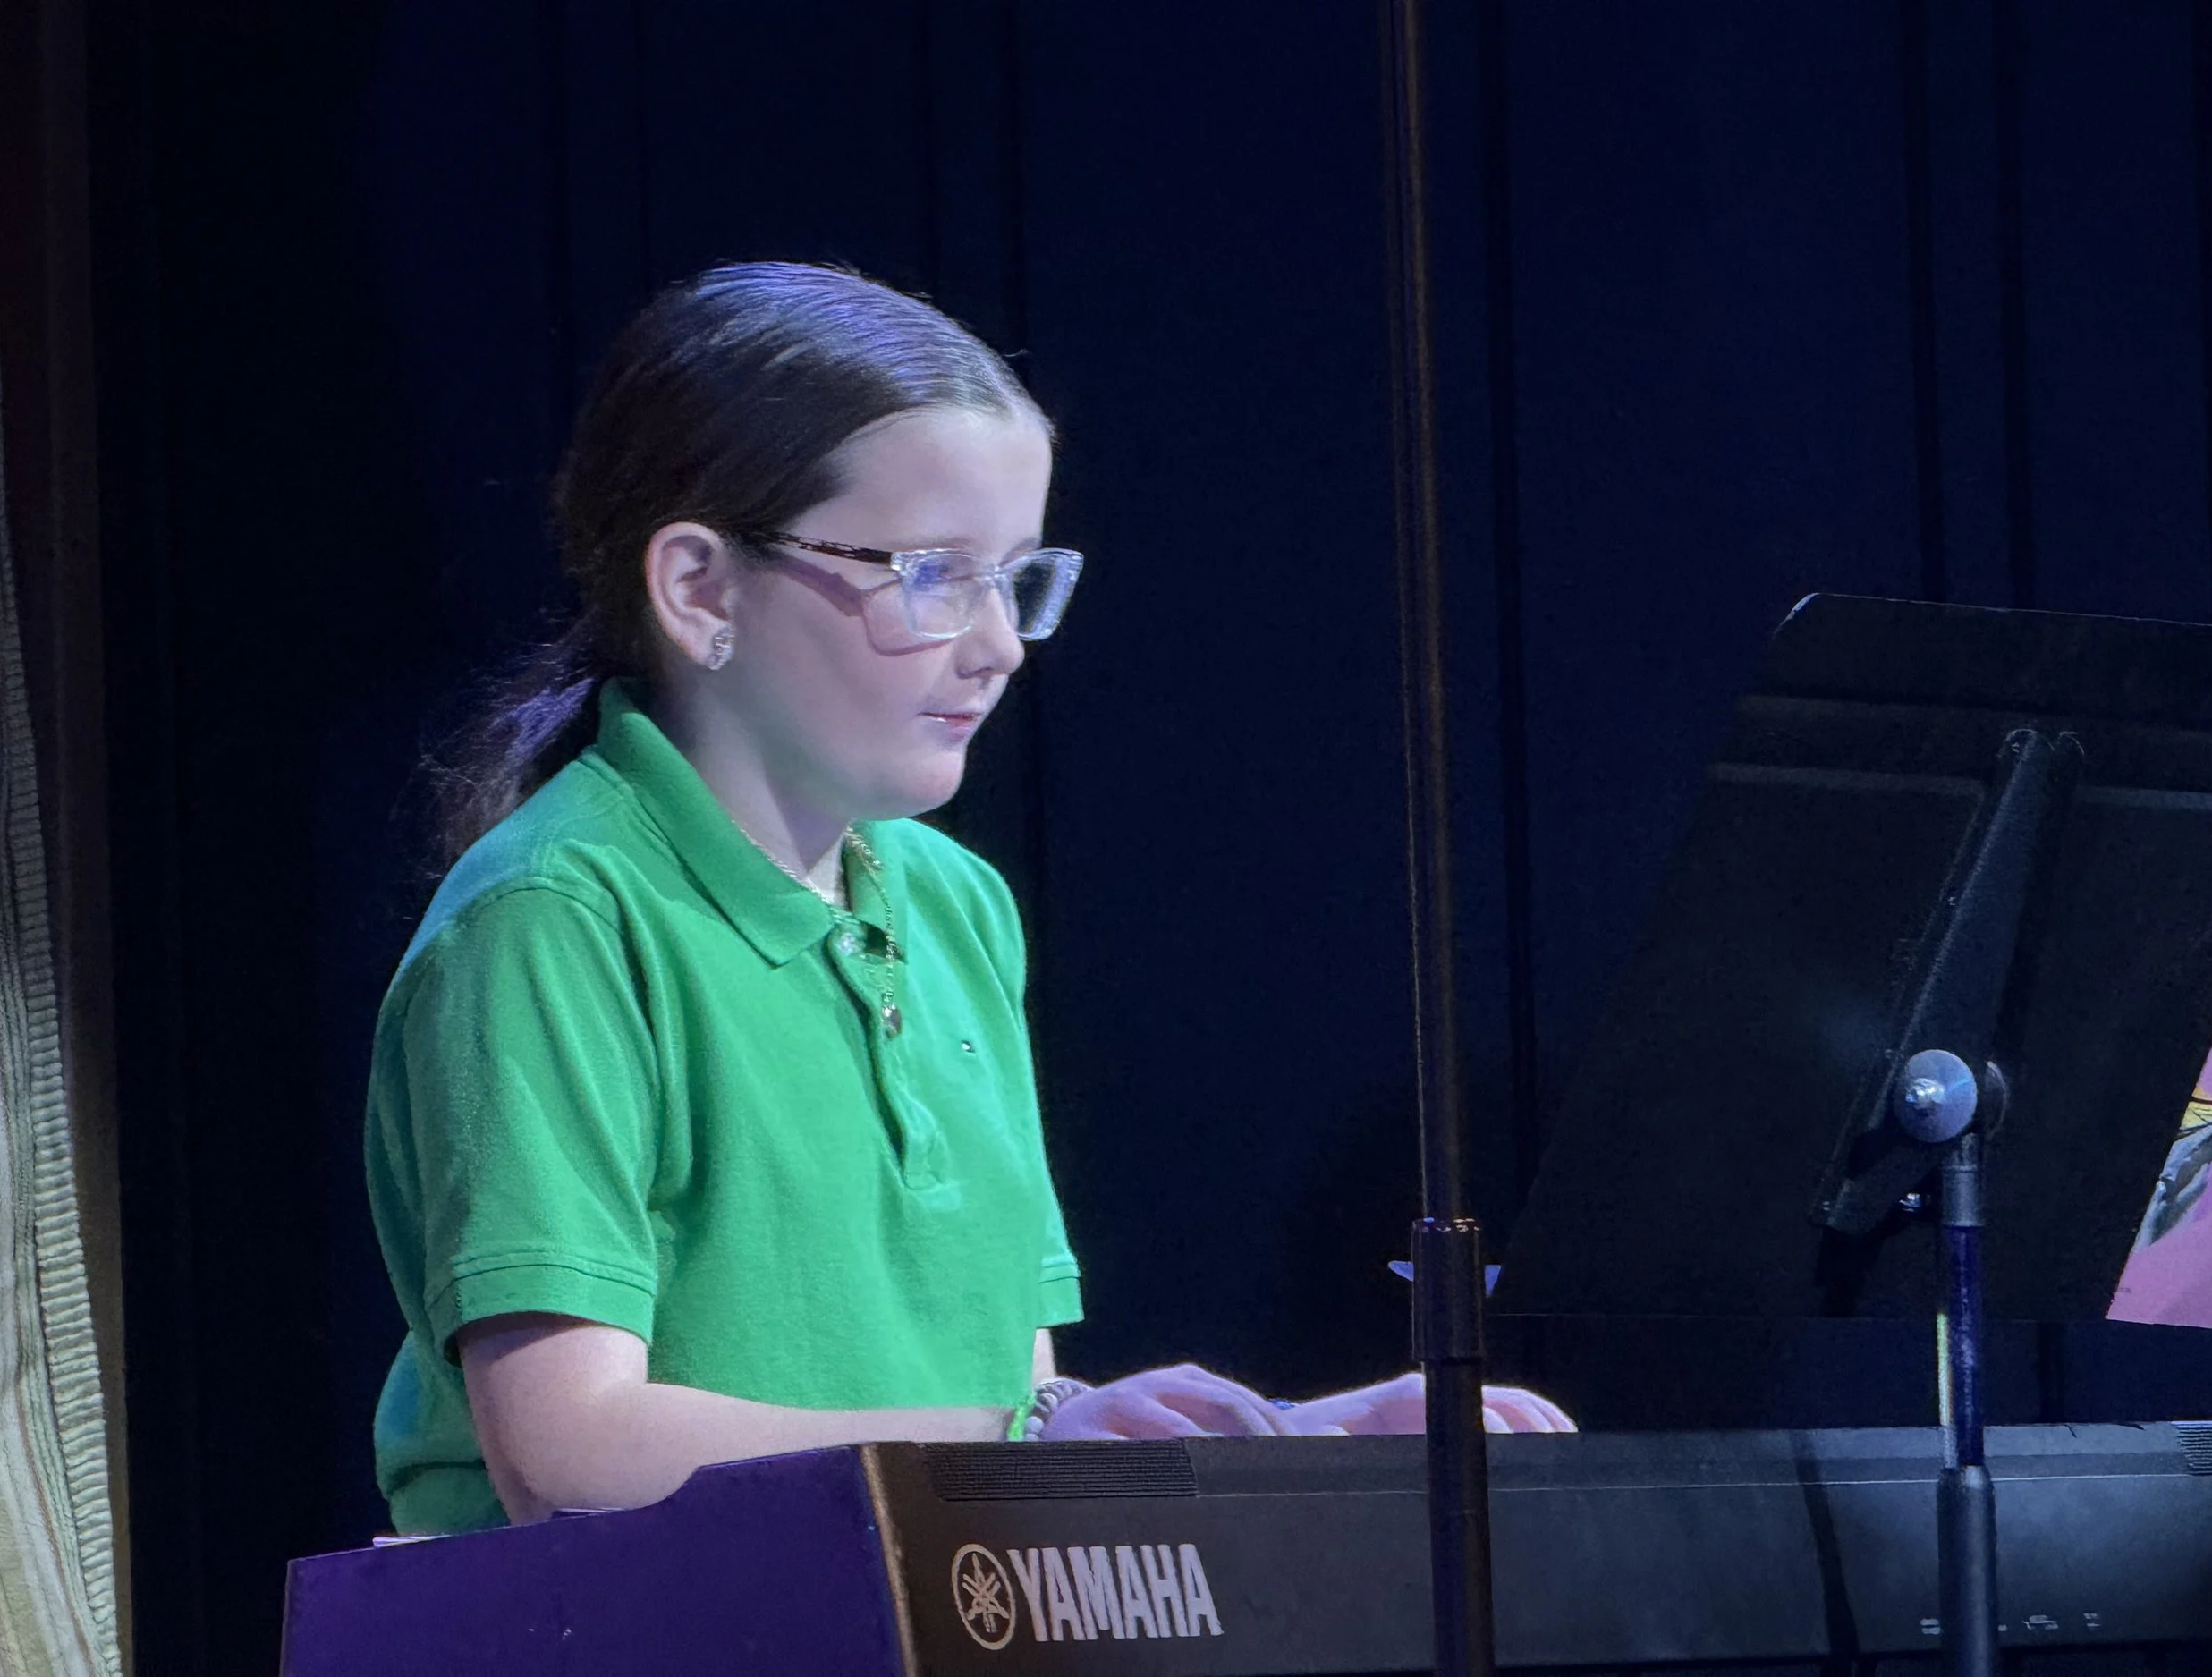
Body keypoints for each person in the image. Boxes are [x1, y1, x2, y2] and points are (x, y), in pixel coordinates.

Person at [366, 262, 1572, 1536]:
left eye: (1016, 580)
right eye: (936, 577)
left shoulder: (953, 903)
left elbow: (1012, 1397)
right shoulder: (555, 916)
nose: (997, 645)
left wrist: (1292, 1447)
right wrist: (1033, 1446)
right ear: (701, 588)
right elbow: (570, 1449)